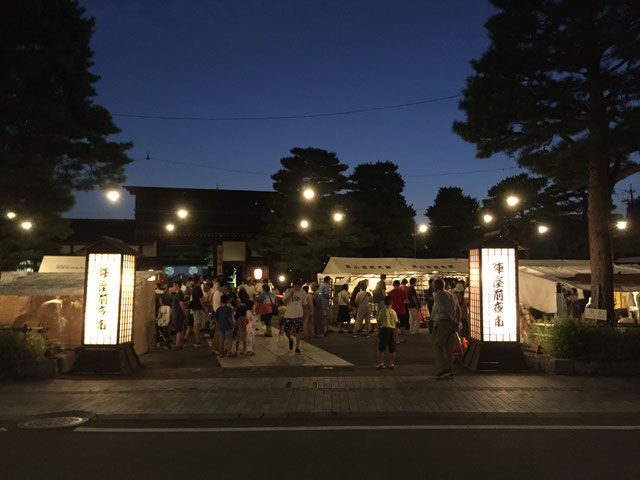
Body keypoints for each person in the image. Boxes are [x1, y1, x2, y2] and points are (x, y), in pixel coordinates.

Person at [431, 278, 461, 379]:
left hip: (444, 322)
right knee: (449, 347)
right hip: (452, 323)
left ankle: (442, 369)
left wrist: (453, 321)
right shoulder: (451, 295)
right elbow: (458, 309)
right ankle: (449, 369)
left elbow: (443, 310)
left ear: (435, 286)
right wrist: (457, 322)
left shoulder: (439, 295)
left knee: (437, 344)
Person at [282, 279, 308, 354]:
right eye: (296, 286)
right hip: (289, 314)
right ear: (293, 286)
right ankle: (290, 339)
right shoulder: (288, 291)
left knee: (298, 332)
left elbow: (304, 304)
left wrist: (304, 315)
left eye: (299, 286)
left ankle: (297, 347)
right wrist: (290, 295)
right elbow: (284, 303)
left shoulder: (303, 293)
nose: (298, 287)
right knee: (287, 331)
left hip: (298, 314)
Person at [376, 296, 398, 369]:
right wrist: (396, 334)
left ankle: (381, 363)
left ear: (384, 303)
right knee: (392, 348)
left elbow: (379, 322)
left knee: (381, 348)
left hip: (384, 330)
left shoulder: (382, 311)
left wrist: (378, 331)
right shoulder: (394, 312)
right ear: (392, 303)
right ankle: (391, 363)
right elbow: (395, 323)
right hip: (392, 330)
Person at [189, 275, 206, 347]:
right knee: (197, 325)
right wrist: (205, 308)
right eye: (201, 278)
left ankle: (197, 340)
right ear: (198, 280)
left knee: (196, 324)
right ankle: (197, 341)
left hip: (195, 308)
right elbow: (201, 300)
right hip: (197, 308)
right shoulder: (198, 288)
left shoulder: (194, 288)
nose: (202, 280)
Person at [170, 280, 188, 348]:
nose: (172, 287)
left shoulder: (179, 293)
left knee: (179, 330)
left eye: (173, 285)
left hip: (178, 314)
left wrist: (184, 312)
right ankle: (180, 344)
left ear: (177, 286)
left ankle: (177, 344)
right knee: (180, 329)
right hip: (178, 314)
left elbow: (181, 304)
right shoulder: (179, 293)